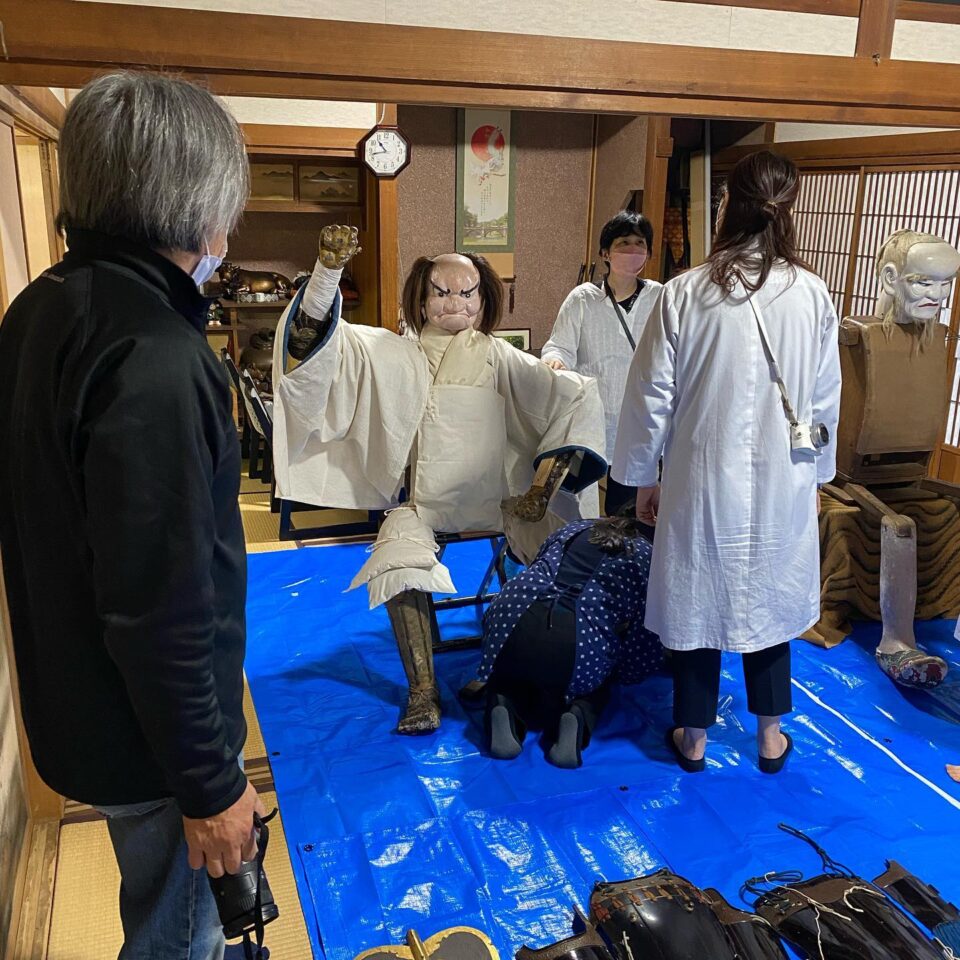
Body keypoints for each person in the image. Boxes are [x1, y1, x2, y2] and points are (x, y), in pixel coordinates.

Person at [0, 72, 260, 958]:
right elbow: (162, 607)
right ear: (195, 205)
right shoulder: (156, 355)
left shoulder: (44, 308)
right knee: (179, 935)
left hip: (81, 707)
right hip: (150, 738)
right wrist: (213, 786)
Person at [270, 233, 606, 736]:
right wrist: (327, 273)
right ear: (421, 299)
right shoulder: (389, 353)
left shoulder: (500, 356)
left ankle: (517, 667)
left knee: (566, 554)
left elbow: (572, 397)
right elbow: (311, 343)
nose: (456, 302)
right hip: (422, 507)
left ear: (483, 299)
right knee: (394, 560)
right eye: (443, 291)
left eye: (467, 292)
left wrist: (541, 489)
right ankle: (422, 689)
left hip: (502, 504)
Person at [612, 151, 842, 775]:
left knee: (695, 596)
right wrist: (818, 475)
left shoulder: (687, 292)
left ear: (727, 206)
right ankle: (770, 736)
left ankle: (692, 735)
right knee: (767, 592)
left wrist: (643, 476)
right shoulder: (812, 293)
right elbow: (824, 398)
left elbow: (651, 393)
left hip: (699, 473)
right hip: (783, 472)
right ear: (789, 208)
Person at [476, 514, 662, 768]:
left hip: (510, 615)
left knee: (508, 672)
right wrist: (626, 672)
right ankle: (578, 714)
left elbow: (538, 558)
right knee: (599, 680)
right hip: (576, 642)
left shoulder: (577, 526)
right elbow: (644, 638)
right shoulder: (649, 557)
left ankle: (503, 703)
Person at [541, 211, 662, 517]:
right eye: (624, 243)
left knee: (628, 510)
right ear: (605, 253)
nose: (633, 250)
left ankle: (625, 563)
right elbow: (559, 345)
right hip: (595, 416)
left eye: (640, 243)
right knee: (579, 502)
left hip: (639, 417)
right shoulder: (583, 298)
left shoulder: (660, 297)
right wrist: (555, 361)